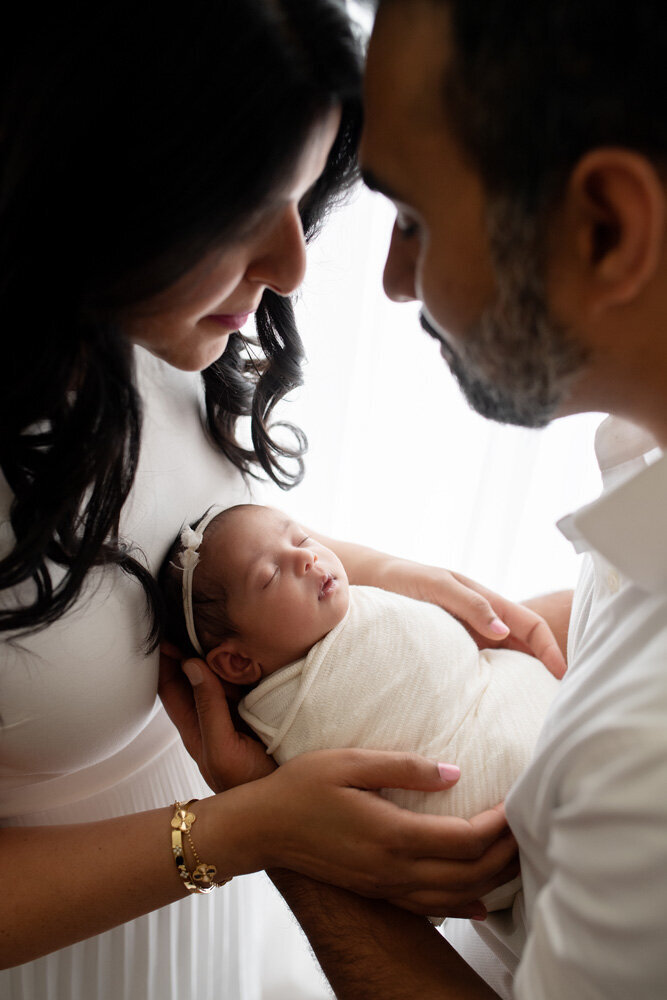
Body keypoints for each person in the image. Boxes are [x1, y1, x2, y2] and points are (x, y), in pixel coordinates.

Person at [0, 2, 567, 998]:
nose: (295, 263)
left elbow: (144, 536)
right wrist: (240, 830)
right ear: (84, 186)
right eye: (238, 210)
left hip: (214, 914)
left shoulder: (143, 316)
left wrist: (356, 565)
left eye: (302, 198)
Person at [203, 1, 666, 997]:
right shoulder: (640, 485)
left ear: (607, 226)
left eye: (412, 219)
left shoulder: (644, 765)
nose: (392, 280)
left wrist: (282, 825)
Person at [159, 501, 559, 919]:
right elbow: (314, 800)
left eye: (300, 537)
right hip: (474, 809)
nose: (306, 556)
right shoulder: (283, 708)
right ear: (238, 663)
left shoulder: (347, 606)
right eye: (271, 575)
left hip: (513, 715)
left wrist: (390, 571)